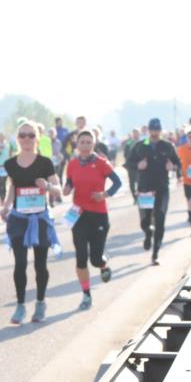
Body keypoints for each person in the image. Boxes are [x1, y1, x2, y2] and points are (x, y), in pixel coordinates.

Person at [1, 121, 62, 324]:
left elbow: (58, 188)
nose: (26, 139)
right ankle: (20, 306)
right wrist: (6, 206)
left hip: (40, 218)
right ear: (17, 139)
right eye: (22, 135)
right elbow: (13, 188)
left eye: (30, 135)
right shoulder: (10, 164)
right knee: (19, 264)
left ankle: (40, 303)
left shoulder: (45, 163)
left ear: (37, 138)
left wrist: (47, 186)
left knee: (40, 264)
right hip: (19, 218)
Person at [63, 129, 122, 310]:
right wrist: (66, 188)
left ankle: (103, 265)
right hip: (78, 214)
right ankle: (86, 295)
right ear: (77, 145)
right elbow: (70, 182)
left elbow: (118, 183)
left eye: (89, 142)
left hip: (98, 215)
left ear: (93, 144)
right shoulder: (72, 164)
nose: (85, 146)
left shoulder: (102, 163)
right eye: (82, 142)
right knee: (81, 257)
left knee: (95, 259)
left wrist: (104, 194)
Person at [128, 118, 181, 265]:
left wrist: (174, 167)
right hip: (145, 189)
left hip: (162, 188)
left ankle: (155, 253)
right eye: (152, 130)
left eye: (157, 130)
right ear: (148, 130)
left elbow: (178, 163)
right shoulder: (140, 146)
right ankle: (147, 233)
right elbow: (129, 163)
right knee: (145, 220)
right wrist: (138, 165)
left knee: (160, 219)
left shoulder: (167, 146)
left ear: (160, 131)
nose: (154, 133)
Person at [123, 128, 142, 204]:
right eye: (134, 133)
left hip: (141, 165)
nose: (135, 134)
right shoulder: (129, 142)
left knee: (140, 181)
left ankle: (140, 196)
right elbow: (125, 153)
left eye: (137, 133)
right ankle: (135, 198)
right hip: (131, 165)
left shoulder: (144, 141)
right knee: (132, 182)